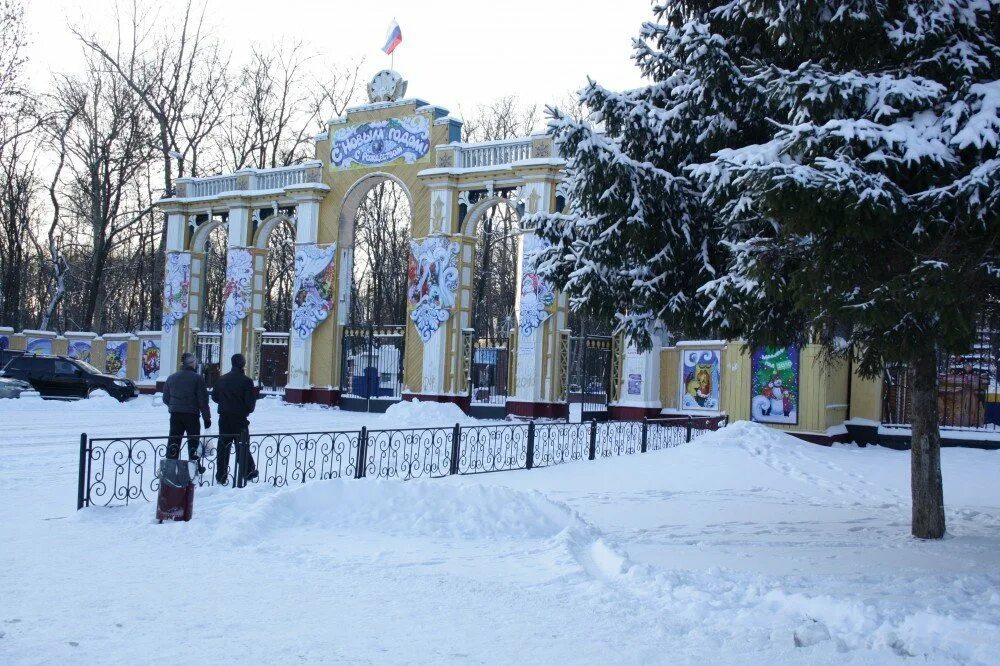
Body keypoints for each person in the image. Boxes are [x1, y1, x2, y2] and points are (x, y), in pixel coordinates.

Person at [212, 353, 259, 485]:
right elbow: (250, 404)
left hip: (224, 418)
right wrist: (243, 408)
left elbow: (215, 397)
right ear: (243, 364)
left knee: (223, 447)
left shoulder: (222, 379)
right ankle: (247, 472)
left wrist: (225, 403)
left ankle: (221, 475)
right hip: (240, 419)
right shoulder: (247, 381)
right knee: (242, 446)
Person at [162, 352, 211, 474]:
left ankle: (170, 467)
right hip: (192, 415)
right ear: (192, 363)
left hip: (175, 415)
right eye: (194, 362)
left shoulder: (171, 377)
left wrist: (173, 407)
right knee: (193, 441)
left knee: (174, 440)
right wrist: (206, 418)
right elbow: (203, 401)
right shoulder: (197, 378)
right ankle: (194, 467)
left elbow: (165, 398)